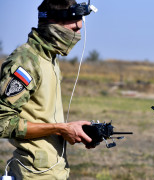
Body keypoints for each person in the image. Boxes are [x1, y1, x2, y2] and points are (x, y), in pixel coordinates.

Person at [0, 0, 96, 179]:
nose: (78, 36)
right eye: (74, 30)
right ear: (54, 25)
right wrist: (59, 129)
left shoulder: (50, 59)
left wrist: (73, 130)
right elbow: (2, 122)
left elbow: (41, 116)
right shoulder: (26, 62)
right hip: (33, 174)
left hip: (54, 171)